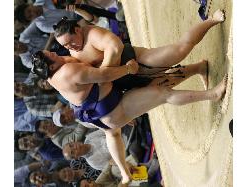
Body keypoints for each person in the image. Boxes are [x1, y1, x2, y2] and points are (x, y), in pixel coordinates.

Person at [31, 47, 227, 185]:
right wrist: (127, 69)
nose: (54, 52)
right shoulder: (65, 72)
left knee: (156, 86)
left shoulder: (56, 70)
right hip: (108, 109)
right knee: (162, 94)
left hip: (99, 106)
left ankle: (198, 68)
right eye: (51, 55)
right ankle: (213, 94)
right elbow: (103, 76)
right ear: (50, 66)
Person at [53, 9, 225, 90]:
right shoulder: (72, 52)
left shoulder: (92, 34)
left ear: (76, 30)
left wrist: (105, 72)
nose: (70, 48)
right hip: (124, 78)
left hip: (136, 59)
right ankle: (199, 68)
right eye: (65, 47)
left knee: (180, 50)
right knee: (167, 84)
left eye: (70, 42)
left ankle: (211, 20)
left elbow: (115, 46)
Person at [62, 129, 128, 170]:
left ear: (73, 142)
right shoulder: (94, 163)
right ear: (76, 157)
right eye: (72, 152)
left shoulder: (89, 137)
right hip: (127, 150)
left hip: (125, 133)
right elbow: (115, 164)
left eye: (71, 145)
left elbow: (108, 130)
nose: (75, 147)